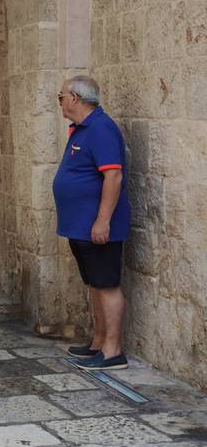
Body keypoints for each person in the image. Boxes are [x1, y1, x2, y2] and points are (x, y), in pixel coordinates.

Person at [53, 75, 131, 371]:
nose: (59, 102)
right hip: (80, 226)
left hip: (98, 227)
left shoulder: (100, 129)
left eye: (60, 96)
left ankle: (113, 351)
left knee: (107, 284)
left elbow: (113, 176)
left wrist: (102, 220)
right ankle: (99, 342)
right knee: (94, 283)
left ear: (74, 98)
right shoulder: (82, 129)